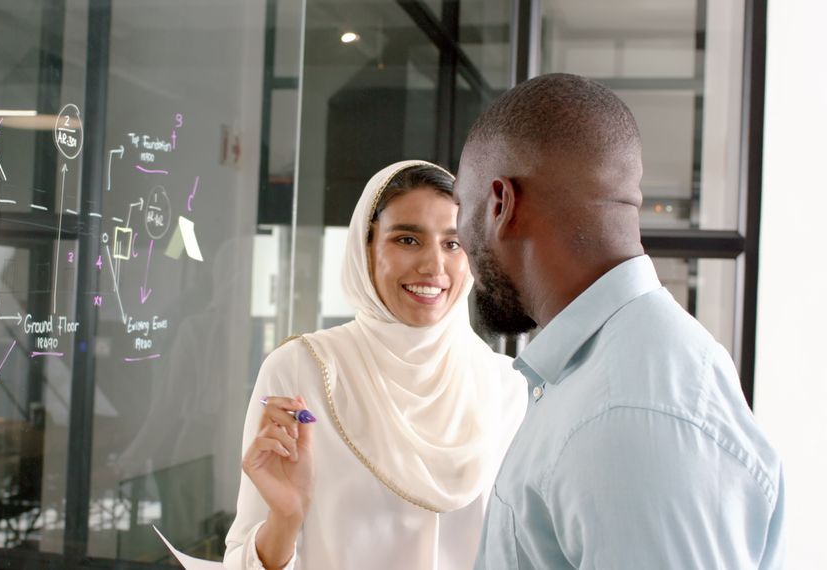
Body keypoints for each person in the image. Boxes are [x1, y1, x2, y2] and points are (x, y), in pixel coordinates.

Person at [454, 73, 785, 568]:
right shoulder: (610, 377)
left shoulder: (625, 413)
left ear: (501, 204)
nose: (457, 239)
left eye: (461, 206)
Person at [224, 160, 527, 569]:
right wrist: (286, 518)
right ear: (365, 248)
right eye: (407, 240)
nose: (434, 266)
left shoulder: (506, 387)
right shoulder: (303, 371)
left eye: (453, 244)